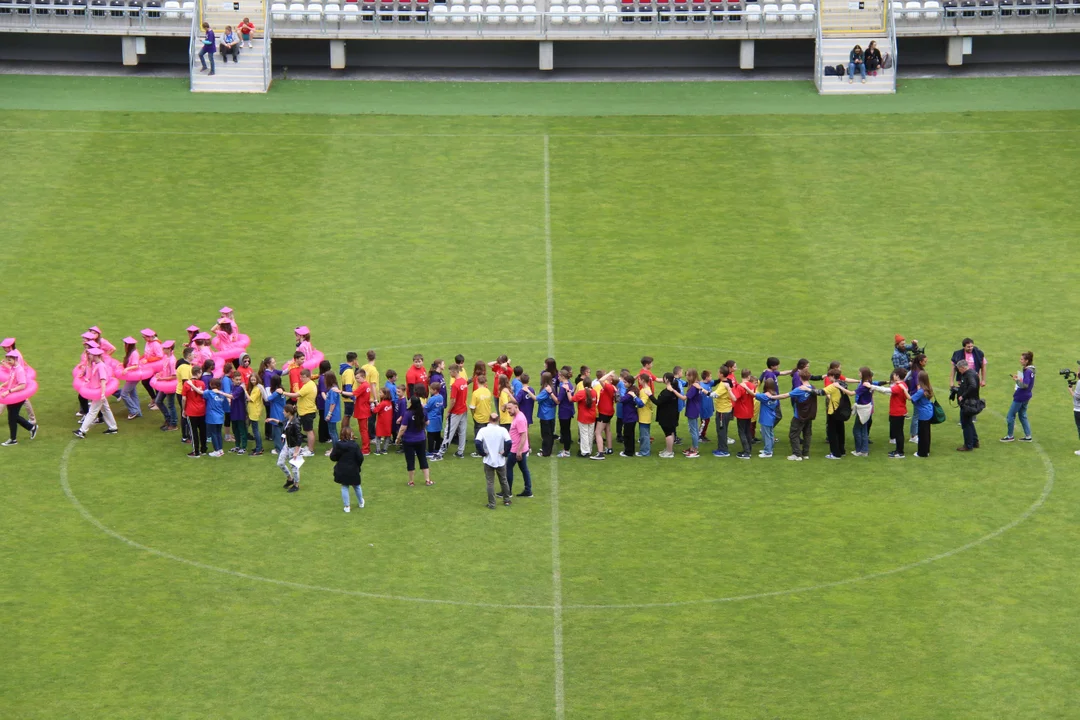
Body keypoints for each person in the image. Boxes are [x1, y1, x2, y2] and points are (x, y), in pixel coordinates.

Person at [73, 348, 119, 439]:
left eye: (90, 354)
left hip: (98, 392)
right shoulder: (95, 364)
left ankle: (82, 430)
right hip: (97, 391)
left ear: (95, 355)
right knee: (106, 409)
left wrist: (102, 394)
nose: (88, 356)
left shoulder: (101, 366)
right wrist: (89, 364)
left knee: (92, 412)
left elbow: (103, 380)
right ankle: (113, 427)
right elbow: (90, 376)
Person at [475, 412, 512, 509]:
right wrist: (505, 453)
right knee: (503, 480)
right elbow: (509, 442)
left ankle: (492, 504)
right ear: (498, 419)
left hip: (488, 460)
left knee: (490, 482)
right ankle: (507, 500)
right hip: (500, 460)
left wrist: (482, 453)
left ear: (489, 419)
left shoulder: (483, 430)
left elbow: (477, 442)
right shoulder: (502, 430)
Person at [0, 352, 36, 445]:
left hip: (18, 397)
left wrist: (9, 391)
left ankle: (13, 439)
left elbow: (22, 385)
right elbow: (11, 379)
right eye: (7, 360)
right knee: (13, 417)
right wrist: (3, 385)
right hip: (13, 397)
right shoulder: (13, 368)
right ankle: (31, 428)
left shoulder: (19, 370)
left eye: (10, 360)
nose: (8, 362)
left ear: (15, 359)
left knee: (12, 417)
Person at [396, 394, 432, 487]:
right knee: (423, 458)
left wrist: (398, 438)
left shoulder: (408, 413)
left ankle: (411, 481)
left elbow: (403, 428)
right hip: (421, 439)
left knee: (410, 460)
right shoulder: (423, 412)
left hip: (408, 440)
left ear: (411, 403)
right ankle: (427, 480)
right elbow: (428, 422)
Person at [753, 378, 791, 459]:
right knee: (770, 434)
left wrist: (746, 387)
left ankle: (768, 452)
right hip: (771, 417)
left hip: (765, 418)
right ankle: (769, 449)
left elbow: (754, 395)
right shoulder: (775, 395)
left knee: (766, 435)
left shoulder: (765, 396)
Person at [1002, 351, 1035, 443]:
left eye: (1022, 359)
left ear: (1027, 361)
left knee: (1010, 416)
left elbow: (1025, 385)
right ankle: (1028, 436)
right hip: (1027, 396)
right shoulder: (1031, 370)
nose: (1020, 360)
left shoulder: (1028, 371)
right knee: (1022, 415)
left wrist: (1017, 380)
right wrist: (1020, 378)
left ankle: (1010, 436)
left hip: (1021, 396)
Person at [787, 369, 820, 461]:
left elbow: (786, 395)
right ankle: (805, 454)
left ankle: (797, 454)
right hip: (809, 415)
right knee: (807, 434)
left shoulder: (799, 389)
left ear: (800, 377)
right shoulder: (812, 388)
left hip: (799, 416)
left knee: (793, 434)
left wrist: (772, 397)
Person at [823, 369, 856, 459]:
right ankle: (842, 451)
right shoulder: (843, 383)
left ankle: (835, 453)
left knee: (832, 433)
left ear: (833, 376)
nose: (828, 378)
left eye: (829, 376)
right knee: (841, 432)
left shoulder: (834, 385)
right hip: (841, 411)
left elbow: (821, 392)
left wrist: (808, 389)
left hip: (833, 411)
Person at [330, 427, 365, 513]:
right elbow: (360, 458)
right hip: (353, 469)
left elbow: (333, 457)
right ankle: (361, 502)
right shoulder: (355, 445)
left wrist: (339, 458)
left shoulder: (338, 445)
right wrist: (357, 465)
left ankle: (347, 506)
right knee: (357, 486)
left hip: (342, 469)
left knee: (345, 486)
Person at [284, 369, 317, 457]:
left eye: (303, 377)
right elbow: (303, 397)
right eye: (301, 377)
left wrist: (283, 392)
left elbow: (296, 395)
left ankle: (310, 450)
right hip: (307, 410)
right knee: (309, 430)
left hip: (307, 411)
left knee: (309, 431)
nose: (301, 379)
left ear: (308, 377)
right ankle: (309, 447)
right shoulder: (309, 384)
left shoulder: (308, 386)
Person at [506, 400, 533, 497]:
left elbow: (523, 435)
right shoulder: (518, 416)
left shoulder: (519, 419)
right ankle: (528, 490)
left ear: (516, 407)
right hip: (520, 448)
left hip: (516, 449)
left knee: (508, 468)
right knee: (524, 469)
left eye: (509, 408)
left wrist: (519, 451)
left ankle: (507, 491)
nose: (508, 410)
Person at [954, 359, 982, 451]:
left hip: (968, 403)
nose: (959, 371)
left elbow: (972, 386)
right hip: (972, 402)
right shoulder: (973, 373)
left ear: (962, 367)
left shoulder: (968, 375)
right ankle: (975, 441)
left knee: (965, 424)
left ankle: (968, 445)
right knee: (969, 422)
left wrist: (963, 395)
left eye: (959, 369)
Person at [652, 373, 682, 459]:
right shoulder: (674, 389)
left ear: (667, 380)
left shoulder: (667, 392)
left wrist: (650, 395)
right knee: (671, 432)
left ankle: (669, 452)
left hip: (667, 415)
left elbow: (658, 402)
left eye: (664, 378)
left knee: (668, 433)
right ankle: (669, 449)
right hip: (672, 414)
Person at [278, 402, 303, 492]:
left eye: (284, 411)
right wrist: (272, 420)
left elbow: (299, 437)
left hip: (293, 447)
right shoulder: (288, 421)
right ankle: (290, 479)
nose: (283, 412)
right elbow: (283, 426)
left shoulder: (295, 423)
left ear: (288, 412)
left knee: (294, 467)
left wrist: (296, 451)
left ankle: (296, 485)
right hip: (287, 445)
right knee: (280, 463)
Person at [180, 369, 206, 456]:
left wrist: (184, 409)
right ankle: (203, 449)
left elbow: (183, 398)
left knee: (193, 431)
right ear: (198, 373)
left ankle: (196, 452)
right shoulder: (202, 383)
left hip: (191, 411)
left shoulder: (186, 384)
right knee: (202, 430)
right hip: (202, 410)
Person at [710, 366, 734, 458]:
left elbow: (714, 395)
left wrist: (703, 390)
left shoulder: (723, 384)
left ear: (721, 374)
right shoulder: (727, 381)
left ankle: (724, 451)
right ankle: (720, 448)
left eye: (718, 372)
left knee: (721, 431)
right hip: (725, 409)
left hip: (722, 411)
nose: (717, 373)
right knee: (722, 430)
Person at [571, 379, 599, 458]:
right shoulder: (594, 392)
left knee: (584, 434)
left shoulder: (581, 393)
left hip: (583, 416)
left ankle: (585, 451)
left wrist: (568, 392)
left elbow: (572, 399)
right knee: (590, 433)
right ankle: (589, 449)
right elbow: (595, 401)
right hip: (592, 416)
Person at [910, 372, 935, 458]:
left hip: (923, 414)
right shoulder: (928, 388)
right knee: (927, 433)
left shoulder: (921, 391)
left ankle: (922, 453)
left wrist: (904, 390)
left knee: (922, 433)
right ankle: (926, 450)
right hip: (929, 411)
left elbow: (912, 399)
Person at [887, 369, 911, 459]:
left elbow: (887, 391)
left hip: (897, 412)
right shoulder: (903, 385)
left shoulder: (898, 386)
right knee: (899, 432)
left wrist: (872, 387)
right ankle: (898, 450)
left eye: (894, 375)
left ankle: (900, 452)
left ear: (897, 376)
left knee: (898, 433)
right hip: (900, 411)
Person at [118, 336, 142, 420]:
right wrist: (122, 364)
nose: (124, 345)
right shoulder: (131, 352)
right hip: (131, 376)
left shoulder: (134, 353)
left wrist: (127, 369)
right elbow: (130, 363)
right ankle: (138, 412)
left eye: (125, 344)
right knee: (133, 394)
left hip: (133, 376)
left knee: (123, 394)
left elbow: (135, 365)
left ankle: (134, 410)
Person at [536, 372, 558, 458]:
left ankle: (546, 452)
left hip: (545, 414)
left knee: (546, 434)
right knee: (550, 433)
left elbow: (537, 398)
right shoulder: (552, 388)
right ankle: (548, 449)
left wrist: (527, 391)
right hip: (551, 413)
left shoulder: (545, 390)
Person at [469, 374, 494, 449]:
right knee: (486, 435)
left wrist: (473, 414)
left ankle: (479, 451)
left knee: (479, 436)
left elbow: (472, 407)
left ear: (477, 382)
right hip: (487, 416)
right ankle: (487, 449)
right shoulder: (488, 392)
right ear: (485, 382)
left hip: (478, 417)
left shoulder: (475, 393)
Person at [243, 372, 265, 456]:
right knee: (255, 430)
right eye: (251, 380)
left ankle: (259, 449)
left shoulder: (257, 388)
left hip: (254, 412)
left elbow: (250, 399)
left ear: (257, 379)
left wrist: (244, 390)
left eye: (254, 379)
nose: (252, 381)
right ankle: (259, 447)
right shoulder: (256, 387)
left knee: (255, 431)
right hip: (253, 411)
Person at [619, 373, 640, 457]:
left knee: (627, 435)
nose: (624, 384)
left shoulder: (630, 393)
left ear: (630, 383)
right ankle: (630, 450)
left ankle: (628, 452)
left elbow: (621, 399)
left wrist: (617, 392)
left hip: (629, 417)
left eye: (625, 382)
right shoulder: (633, 390)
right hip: (632, 416)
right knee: (630, 435)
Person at [556, 368, 575, 458]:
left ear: (563, 376)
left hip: (564, 411)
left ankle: (566, 451)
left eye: (559, 376)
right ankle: (565, 449)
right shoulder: (569, 384)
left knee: (565, 432)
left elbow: (558, 401)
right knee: (566, 430)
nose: (558, 377)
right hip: (569, 410)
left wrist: (551, 393)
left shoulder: (563, 387)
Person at [635, 373, 655, 457]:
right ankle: (644, 451)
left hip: (644, 415)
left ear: (643, 380)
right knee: (644, 434)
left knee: (644, 435)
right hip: (645, 414)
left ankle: (645, 452)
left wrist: (634, 397)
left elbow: (641, 403)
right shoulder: (647, 389)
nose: (638, 381)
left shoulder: (644, 391)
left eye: (639, 379)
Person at [266, 375, 287, 454]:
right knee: (282, 432)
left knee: (277, 433)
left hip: (276, 413)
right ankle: (284, 447)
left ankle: (279, 449)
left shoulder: (277, 392)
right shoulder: (282, 390)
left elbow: (268, 399)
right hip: (282, 412)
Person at [425, 380, 445, 458]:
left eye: (431, 389)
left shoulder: (432, 399)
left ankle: (430, 451)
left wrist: (423, 405)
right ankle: (437, 449)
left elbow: (427, 407)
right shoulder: (441, 397)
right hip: (438, 418)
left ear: (435, 390)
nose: (430, 390)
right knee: (437, 435)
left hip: (431, 419)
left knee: (430, 435)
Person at [323, 371, 341, 455]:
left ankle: (335, 450)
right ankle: (336, 447)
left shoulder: (333, 390)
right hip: (333, 414)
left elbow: (332, 403)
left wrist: (329, 414)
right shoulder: (333, 388)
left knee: (332, 432)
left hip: (332, 415)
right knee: (333, 431)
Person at [371, 388, 393, 455]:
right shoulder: (389, 403)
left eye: (380, 393)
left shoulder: (383, 403)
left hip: (381, 422)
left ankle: (378, 450)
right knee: (387, 436)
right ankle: (385, 450)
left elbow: (375, 410)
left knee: (378, 436)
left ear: (385, 394)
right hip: (388, 422)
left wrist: (372, 407)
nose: (379, 394)